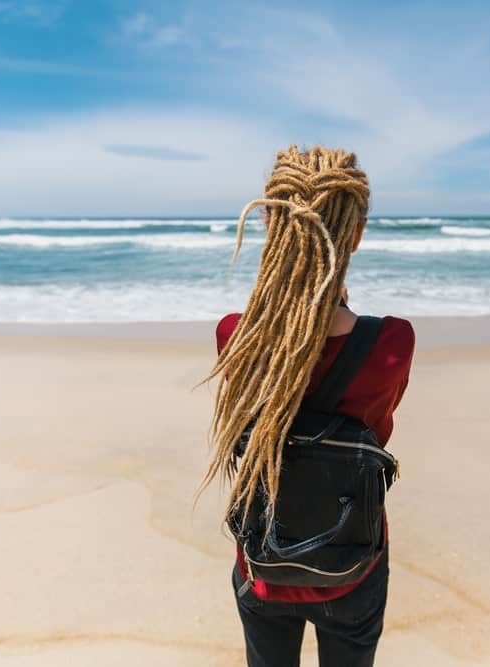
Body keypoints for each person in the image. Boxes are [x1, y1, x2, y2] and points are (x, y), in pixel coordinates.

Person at [200, 145, 415, 667]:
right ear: (356, 233)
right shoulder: (392, 343)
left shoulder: (237, 336)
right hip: (351, 559)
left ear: (272, 224)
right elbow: (378, 427)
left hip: (263, 560)